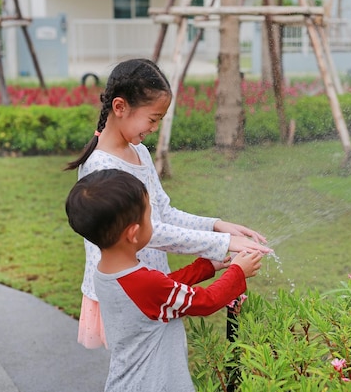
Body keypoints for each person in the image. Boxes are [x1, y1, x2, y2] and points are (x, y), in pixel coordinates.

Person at [65, 58, 272, 348]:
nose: (154, 128)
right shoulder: (100, 168)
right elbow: (153, 233)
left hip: (154, 284)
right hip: (128, 290)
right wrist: (222, 243)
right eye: (152, 119)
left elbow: (164, 213)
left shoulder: (139, 152)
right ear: (120, 107)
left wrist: (215, 226)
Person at [65, 169, 263, 392]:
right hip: (154, 384)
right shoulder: (143, 284)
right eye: (150, 216)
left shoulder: (107, 272)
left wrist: (205, 267)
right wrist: (238, 271)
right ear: (133, 233)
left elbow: (163, 289)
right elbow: (205, 301)